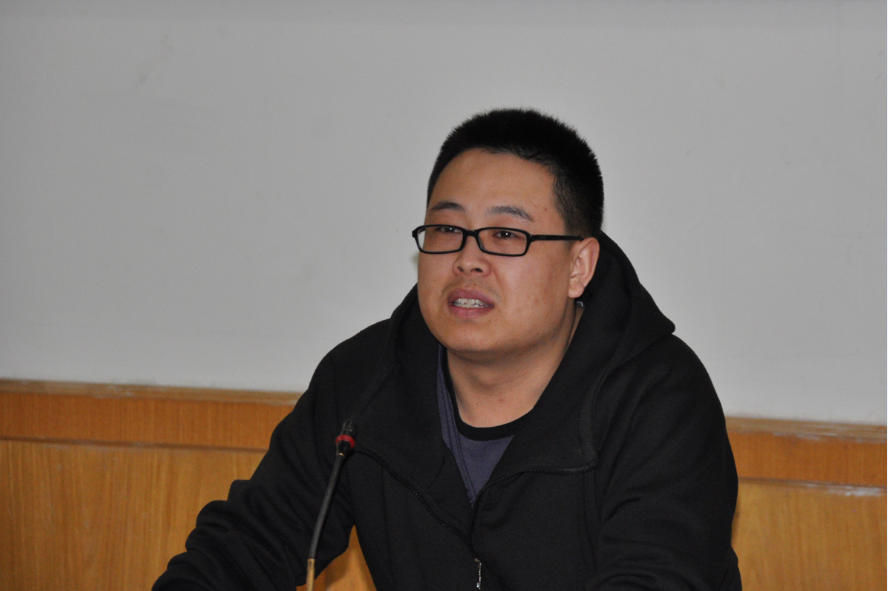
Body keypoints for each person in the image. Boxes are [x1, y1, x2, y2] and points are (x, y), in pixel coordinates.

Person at [154, 109, 741, 590]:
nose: (467, 258)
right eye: (446, 230)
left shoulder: (659, 397)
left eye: (506, 234)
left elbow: (657, 577)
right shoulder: (362, 379)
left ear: (578, 267)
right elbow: (252, 543)